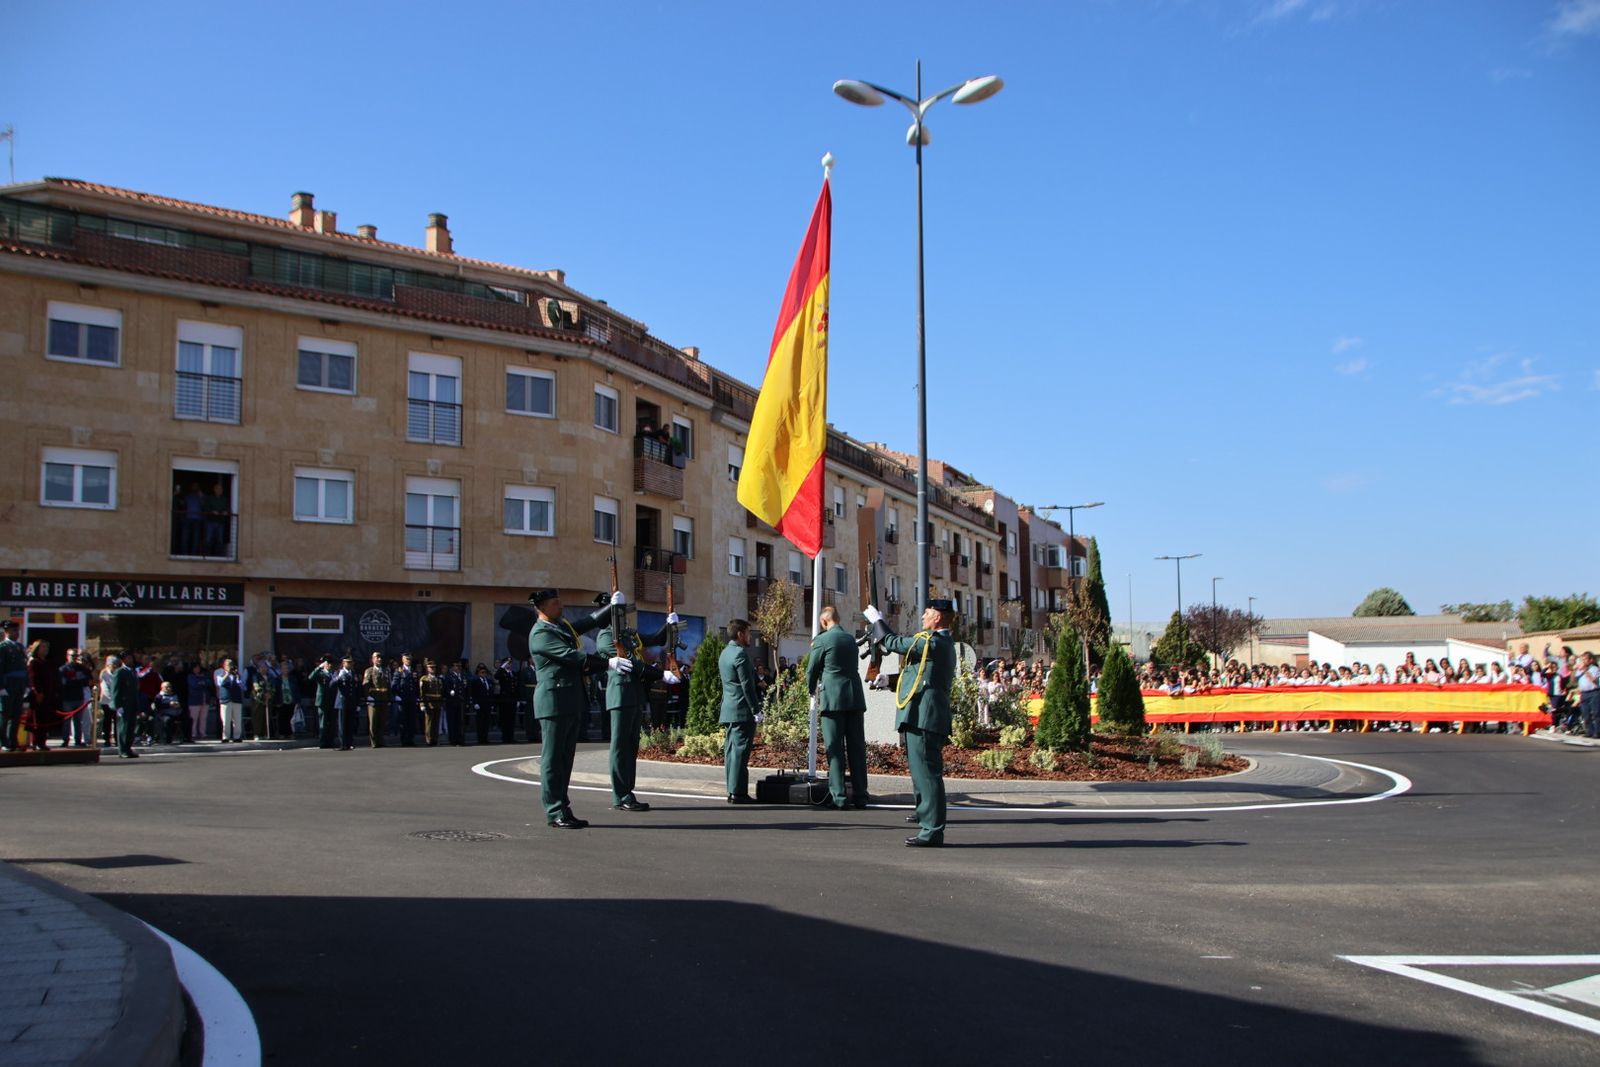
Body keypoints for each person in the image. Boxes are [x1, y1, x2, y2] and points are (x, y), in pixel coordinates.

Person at [866, 598, 958, 848]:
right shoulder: (938, 644)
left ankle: (932, 830)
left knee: (927, 774)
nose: (923, 617)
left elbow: (894, 643)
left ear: (937, 617)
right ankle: (924, 812)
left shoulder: (932, 642)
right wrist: (890, 681)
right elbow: (918, 674)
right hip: (920, 714)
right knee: (920, 772)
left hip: (924, 716)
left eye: (927, 613)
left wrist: (878, 622)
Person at [527, 587, 619, 829]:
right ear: (543, 607)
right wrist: (608, 662)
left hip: (570, 700)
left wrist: (612, 606)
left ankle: (563, 807)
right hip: (554, 702)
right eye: (556, 603)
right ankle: (554, 810)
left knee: (565, 758)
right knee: (553, 759)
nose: (561, 606)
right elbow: (572, 657)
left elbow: (587, 622)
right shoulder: (540, 633)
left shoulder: (560, 627)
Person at [595, 601, 682, 812]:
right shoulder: (606, 637)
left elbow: (655, 639)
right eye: (620, 614)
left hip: (634, 695)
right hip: (621, 696)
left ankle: (628, 792)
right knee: (621, 747)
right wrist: (661, 674)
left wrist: (669, 625)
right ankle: (621, 795)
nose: (625, 618)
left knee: (631, 745)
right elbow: (632, 664)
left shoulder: (627, 635)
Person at [807, 605, 868, 810]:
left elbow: (812, 669)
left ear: (824, 622)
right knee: (857, 749)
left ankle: (839, 796)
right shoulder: (850, 639)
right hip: (854, 697)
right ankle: (861, 795)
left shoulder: (822, 640)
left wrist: (810, 690)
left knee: (835, 749)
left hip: (833, 699)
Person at [719, 619, 761, 804]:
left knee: (732, 752)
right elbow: (747, 685)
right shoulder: (740, 655)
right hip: (742, 710)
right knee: (740, 752)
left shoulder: (725, 653)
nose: (750, 636)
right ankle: (738, 792)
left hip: (729, 709)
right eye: (748, 633)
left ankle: (733, 790)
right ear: (740, 634)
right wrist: (756, 710)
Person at [104, 653, 139, 758]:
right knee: (123, 728)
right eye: (128, 658)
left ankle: (128, 748)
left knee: (131, 727)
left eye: (131, 657)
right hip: (123, 704)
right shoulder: (120, 672)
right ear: (123, 660)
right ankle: (122, 750)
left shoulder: (132, 671)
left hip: (132, 703)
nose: (130, 660)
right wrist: (117, 706)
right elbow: (115, 690)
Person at [59, 649, 95, 748]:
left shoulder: (82, 668)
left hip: (79, 697)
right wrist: (78, 682)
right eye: (72, 656)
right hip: (67, 698)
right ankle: (65, 740)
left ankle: (78, 740)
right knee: (66, 720)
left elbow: (88, 681)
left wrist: (75, 682)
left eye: (76, 656)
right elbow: (65, 683)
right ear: (67, 656)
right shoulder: (63, 669)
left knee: (78, 721)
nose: (74, 658)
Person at [0, 619, 27, 752]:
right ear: (6, 631)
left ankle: (13, 740)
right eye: (14, 630)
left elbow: (24, 667)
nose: (17, 633)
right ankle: (3, 741)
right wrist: (1, 687)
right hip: (8, 685)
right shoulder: (3, 647)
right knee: (5, 715)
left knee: (16, 715)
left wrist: (27, 685)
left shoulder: (20, 647)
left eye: (17, 630)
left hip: (19, 685)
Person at [307, 655, 339, 749]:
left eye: (331, 664)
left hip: (332, 700)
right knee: (323, 723)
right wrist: (318, 667)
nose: (329, 665)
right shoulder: (320, 673)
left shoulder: (334, 673)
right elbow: (310, 677)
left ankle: (331, 741)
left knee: (332, 722)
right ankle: (323, 742)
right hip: (322, 701)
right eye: (328, 663)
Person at [331, 655, 361, 750]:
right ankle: (343, 743)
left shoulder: (353, 673)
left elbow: (356, 689)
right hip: (342, 701)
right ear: (343, 663)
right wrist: (338, 678)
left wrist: (357, 703)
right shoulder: (338, 672)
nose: (350, 664)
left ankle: (349, 743)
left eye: (351, 662)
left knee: (350, 723)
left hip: (351, 702)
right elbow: (331, 684)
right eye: (347, 662)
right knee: (342, 724)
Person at [362, 652, 391, 748]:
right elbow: (366, 685)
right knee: (373, 721)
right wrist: (368, 696)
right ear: (373, 659)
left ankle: (381, 740)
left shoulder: (386, 670)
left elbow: (389, 685)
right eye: (377, 658)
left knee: (382, 721)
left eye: (380, 658)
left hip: (384, 698)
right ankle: (374, 742)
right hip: (374, 698)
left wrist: (389, 697)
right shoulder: (369, 671)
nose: (379, 660)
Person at [392, 654, 420, 746]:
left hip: (411, 699)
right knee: (403, 721)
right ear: (403, 659)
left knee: (411, 720)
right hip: (403, 699)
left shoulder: (413, 671)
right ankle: (404, 740)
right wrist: (396, 695)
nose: (408, 661)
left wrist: (417, 696)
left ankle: (411, 739)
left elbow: (416, 686)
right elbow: (394, 685)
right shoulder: (399, 671)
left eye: (410, 659)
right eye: (407, 659)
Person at [214, 658, 244, 742]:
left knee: (237, 720)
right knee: (226, 720)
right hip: (226, 699)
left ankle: (237, 737)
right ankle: (225, 737)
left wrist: (237, 677)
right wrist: (226, 674)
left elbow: (242, 686)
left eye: (231, 665)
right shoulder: (219, 674)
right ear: (224, 666)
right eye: (228, 665)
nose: (230, 667)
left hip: (236, 699)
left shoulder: (236, 675)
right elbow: (219, 683)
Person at [442, 659, 468, 747]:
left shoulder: (463, 676)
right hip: (452, 702)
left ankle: (461, 739)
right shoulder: (449, 677)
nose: (458, 668)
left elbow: (466, 688)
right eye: (456, 666)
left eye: (459, 666)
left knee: (460, 721)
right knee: (452, 721)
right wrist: (450, 692)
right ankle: (453, 739)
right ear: (453, 667)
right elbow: (446, 688)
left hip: (461, 702)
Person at [493, 658, 519, 743]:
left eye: (510, 663)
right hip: (504, 699)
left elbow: (516, 687)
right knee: (505, 719)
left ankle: (511, 737)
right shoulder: (502, 673)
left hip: (512, 699)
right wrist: (502, 667)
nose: (509, 665)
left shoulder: (513, 673)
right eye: (508, 663)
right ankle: (505, 738)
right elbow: (496, 676)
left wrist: (517, 699)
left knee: (511, 719)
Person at [419, 660, 444, 745]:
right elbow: (422, 693)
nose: (433, 669)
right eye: (431, 667)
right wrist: (422, 704)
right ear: (427, 668)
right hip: (429, 702)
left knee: (436, 722)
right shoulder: (424, 679)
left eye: (434, 667)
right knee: (429, 722)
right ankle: (429, 740)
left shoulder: (438, 679)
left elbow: (441, 692)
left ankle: (435, 739)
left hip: (437, 703)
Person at [1577, 652, 1600, 740]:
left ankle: (1597, 732)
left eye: (1585, 659)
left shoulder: (1594, 669)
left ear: (1591, 660)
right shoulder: (1581, 670)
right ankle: (1589, 731)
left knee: (1595, 713)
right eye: (1582, 659)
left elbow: (1594, 680)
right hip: (1584, 693)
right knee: (1585, 713)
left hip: (1594, 693)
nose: (1583, 661)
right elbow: (1577, 679)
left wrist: (1585, 670)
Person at [470, 663, 494, 745]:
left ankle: (485, 738)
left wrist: (491, 704)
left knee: (486, 723)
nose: (484, 674)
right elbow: (473, 693)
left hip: (487, 704)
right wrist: (475, 703)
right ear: (479, 673)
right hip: (479, 705)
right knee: (480, 723)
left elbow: (490, 693)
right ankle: (480, 739)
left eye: (485, 672)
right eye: (482, 672)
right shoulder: (475, 681)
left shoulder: (489, 681)